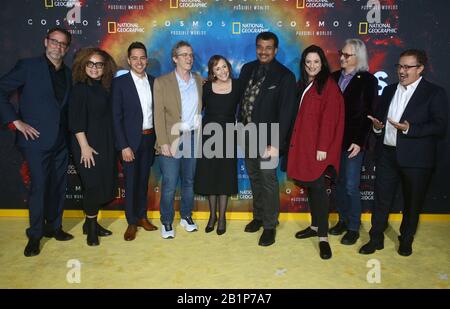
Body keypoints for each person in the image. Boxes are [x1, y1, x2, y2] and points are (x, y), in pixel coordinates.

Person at [360, 49, 448, 256]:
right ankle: (376, 239)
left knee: (412, 203)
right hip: (387, 155)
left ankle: (406, 240)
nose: (402, 71)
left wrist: (410, 129)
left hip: (417, 159)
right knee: (381, 200)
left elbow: (440, 126)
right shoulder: (389, 90)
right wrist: (377, 128)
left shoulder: (434, 93)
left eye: (408, 67)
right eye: (400, 66)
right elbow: (381, 121)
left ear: (420, 69)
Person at [0, 27, 74, 257]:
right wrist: (15, 122)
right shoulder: (28, 66)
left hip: (62, 141)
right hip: (35, 142)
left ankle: (55, 227)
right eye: (54, 41)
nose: (58, 47)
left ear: (67, 48)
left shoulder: (69, 74)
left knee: (58, 187)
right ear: (45, 42)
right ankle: (35, 235)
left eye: (63, 44)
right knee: (39, 188)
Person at [239, 32, 297, 246]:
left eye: (268, 48)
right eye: (260, 47)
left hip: (268, 138)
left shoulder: (285, 76)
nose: (263, 51)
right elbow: (239, 96)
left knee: (268, 181)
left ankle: (270, 226)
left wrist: (276, 143)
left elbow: (286, 113)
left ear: (276, 50)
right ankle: (259, 217)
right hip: (246, 134)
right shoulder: (247, 69)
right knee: (254, 177)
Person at [287, 45, 345, 259]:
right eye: (308, 62)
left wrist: (322, 148)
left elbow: (330, 120)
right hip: (303, 146)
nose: (312, 66)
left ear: (323, 64)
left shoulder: (328, 86)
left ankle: (323, 237)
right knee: (311, 188)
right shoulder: (302, 84)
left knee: (319, 191)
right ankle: (313, 226)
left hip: (318, 149)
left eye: (316, 62)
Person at [330, 39, 378, 245]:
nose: (341, 57)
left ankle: (353, 227)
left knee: (350, 185)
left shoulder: (368, 80)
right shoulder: (332, 77)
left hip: (353, 143)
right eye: (342, 53)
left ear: (358, 57)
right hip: (333, 142)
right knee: (338, 184)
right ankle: (342, 220)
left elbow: (370, 114)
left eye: (347, 55)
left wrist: (360, 141)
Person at [69, 47, 118, 246]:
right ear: (83, 65)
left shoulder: (107, 87)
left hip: (106, 143)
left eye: (99, 64)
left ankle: (92, 224)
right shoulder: (80, 89)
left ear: (105, 67)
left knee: (104, 186)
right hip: (86, 144)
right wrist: (84, 147)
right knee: (92, 187)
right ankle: (90, 229)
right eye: (90, 64)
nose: (95, 68)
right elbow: (75, 121)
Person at [154, 41, 203, 239]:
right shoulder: (162, 82)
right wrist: (163, 142)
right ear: (175, 58)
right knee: (169, 182)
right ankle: (166, 221)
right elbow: (158, 115)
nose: (188, 58)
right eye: (184, 55)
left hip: (192, 138)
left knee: (189, 182)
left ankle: (186, 216)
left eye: (190, 55)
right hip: (171, 139)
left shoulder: (198, 80)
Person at [112, 42, 158, 241]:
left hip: (149, 140)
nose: (139, 61)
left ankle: (142, 217)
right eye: (135, 58)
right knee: (130, 183)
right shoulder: (120, 84)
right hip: (129, 143)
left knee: (142, 182)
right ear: (129, 60)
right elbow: (116, 117)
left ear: (146, 60)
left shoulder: (155, 82)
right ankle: (131, 222)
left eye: (142, 57)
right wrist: (123, 146)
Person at [194, 55, 241, 235]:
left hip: (228, 135)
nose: (222, 71)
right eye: (218, 69)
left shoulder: (237, 86)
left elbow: (244, 108)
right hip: (209, 136)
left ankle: (221, 218)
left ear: (228, 66)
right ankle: (212, 216)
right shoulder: (206, 87)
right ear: (212, 72)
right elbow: (198, 110)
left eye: (224, 66)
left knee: (224, 177)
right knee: (210, 176)